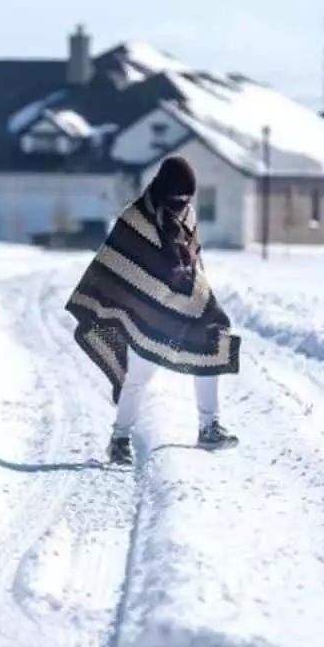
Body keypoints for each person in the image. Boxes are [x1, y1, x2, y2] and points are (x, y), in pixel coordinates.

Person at [64, 155, 241, 465]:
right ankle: (119, 439)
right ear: (163, 189)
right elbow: (116, 264)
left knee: (211, 348)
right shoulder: (135, 218)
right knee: (138, 378)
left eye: (187, 197)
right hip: (146, 311)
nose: (182, 202)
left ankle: (209, 427)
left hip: (186, 305)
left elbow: (193, 262)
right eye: (177, 197)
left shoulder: (188, 215)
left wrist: (198, 295)